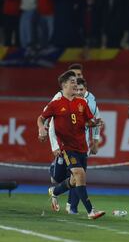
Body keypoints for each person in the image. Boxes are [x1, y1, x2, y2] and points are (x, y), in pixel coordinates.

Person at [38, 70, 105, 220]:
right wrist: (41, 128)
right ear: (64, 85)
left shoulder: (82, 102)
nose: (76, 84)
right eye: (73, 82)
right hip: (67, 148)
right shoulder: (56, 103)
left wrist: (95, 123)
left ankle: (54, 192)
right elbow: (41, 118)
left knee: (75, 181)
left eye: (76, 82)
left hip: (82, 147)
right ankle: (90, 211)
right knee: (80, 175)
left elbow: (89, 120)